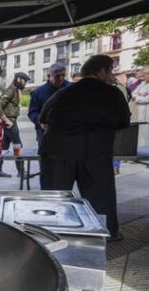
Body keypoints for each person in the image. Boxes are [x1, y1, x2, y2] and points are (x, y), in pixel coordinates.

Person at [39, 54, 130, 240]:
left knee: (55, 196)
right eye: (110, 71)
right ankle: (106, 233)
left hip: (57, 150)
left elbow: (43, 119)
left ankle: (52, 233)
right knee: (99, 195)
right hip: (94, 150)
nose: (111, 75)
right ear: (102, 71)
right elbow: (122, 121)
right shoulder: (112, 93)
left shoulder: (64, 92)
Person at [0, 72, 29, 178]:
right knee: (18, 146)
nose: (25, 83)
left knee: (4, 148)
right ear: (18, 79)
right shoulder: (11, 90)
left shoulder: (15, 90)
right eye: (24, 81)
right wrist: (7, 120)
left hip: (11, 122)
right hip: (10, 123)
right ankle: (21, 172)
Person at [28, 63, 69, 144]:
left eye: (63, 75)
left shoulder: (72, 88)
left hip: (67, 132)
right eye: (57, 76)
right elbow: (32, 112)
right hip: (45, 133)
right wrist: (40, 122)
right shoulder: (38, 92)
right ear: (49, 75)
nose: (61, 78)